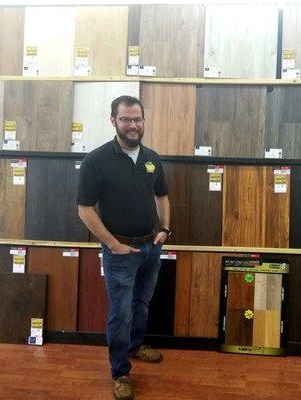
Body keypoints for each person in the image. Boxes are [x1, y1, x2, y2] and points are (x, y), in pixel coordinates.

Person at [77, 95, 171, 400]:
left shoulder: (152, 158)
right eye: (126, 119)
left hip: (150, 248)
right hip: (120, 253)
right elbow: (85, 209)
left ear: (144, 121)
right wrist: (113, 244)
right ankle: (120, 372)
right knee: (120, 314)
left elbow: (162, 196)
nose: (133, 125)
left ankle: (135, 346)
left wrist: (165, 229)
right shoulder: (96, 160)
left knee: (141, 304)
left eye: (137, 119)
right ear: (113, 121)